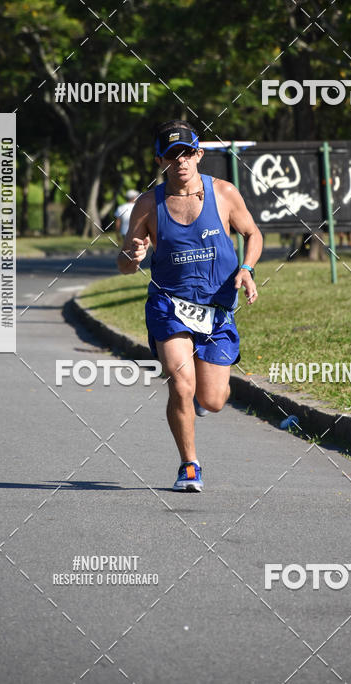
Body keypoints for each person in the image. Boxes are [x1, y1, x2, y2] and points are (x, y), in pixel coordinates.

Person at [118, 120, 263, 492]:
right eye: (171, 155)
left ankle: (201, 400)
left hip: (216, 308)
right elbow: (123, 264)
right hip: (169, 305)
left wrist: (246, 268)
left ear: (198, 154)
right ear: (160, 161)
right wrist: (133, 255)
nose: (180, 160)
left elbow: (252, 233)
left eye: (186, 153)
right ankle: (189, 466)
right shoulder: (149, 204)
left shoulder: (224, 193)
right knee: (180, 382)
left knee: (213, 400)